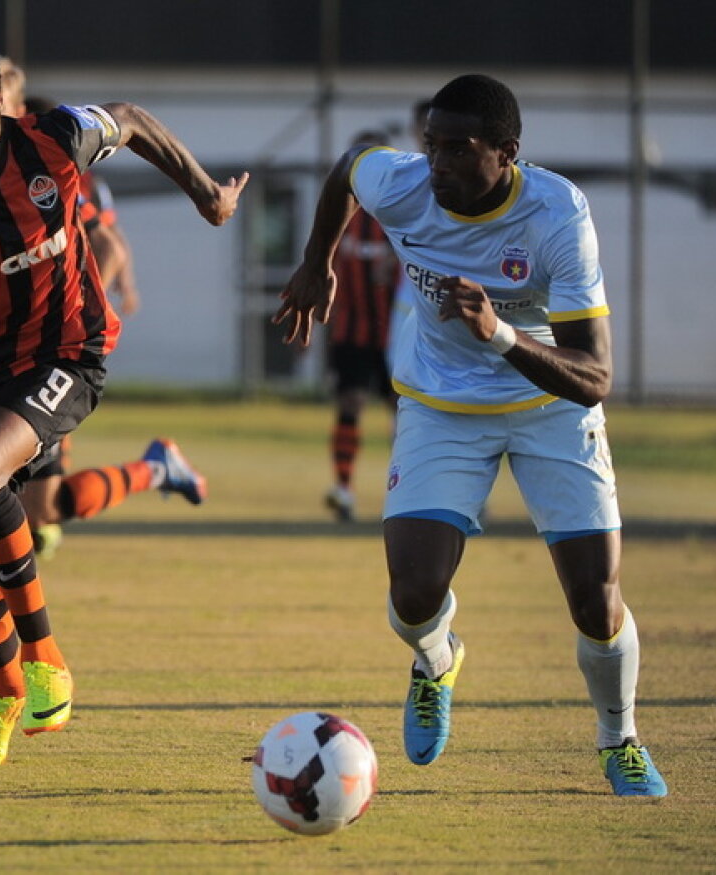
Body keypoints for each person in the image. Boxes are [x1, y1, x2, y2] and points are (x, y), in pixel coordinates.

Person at [0, 29, 246, 765]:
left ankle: (47, 658)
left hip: (68, 350)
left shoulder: (56, 137)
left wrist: (206, 194)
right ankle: (3, 692)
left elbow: (129, 117)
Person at [274, 74, 667, 797]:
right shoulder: (405, 183)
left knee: (595, 601)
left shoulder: (557, 215)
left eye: (461, 149)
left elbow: (594, 375)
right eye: (433, 147)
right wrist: (315, 260)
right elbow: (346, 172)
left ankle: (621, 740)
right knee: (414, 590)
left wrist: (501, 333)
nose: (440, 164)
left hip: (551, 402)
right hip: (442, 404)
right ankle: (435, 661)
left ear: (507, 154)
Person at [0, 62, 201, 643]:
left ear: (6, 103)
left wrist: (98, 285)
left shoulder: (51, 152)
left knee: (37, 504)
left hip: (49, 355)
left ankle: (153, 470)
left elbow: (104, 235)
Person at [322, 129, 399, 523]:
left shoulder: (403, 214)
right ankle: (344, 489)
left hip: (396, 335)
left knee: (405, 413)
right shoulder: (342, 213)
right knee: (350, 403)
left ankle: (411, 489)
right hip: (351, 331)